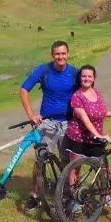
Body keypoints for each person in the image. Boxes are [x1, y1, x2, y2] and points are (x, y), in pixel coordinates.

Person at [19, 40, 78, 211]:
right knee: (41, 161)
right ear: (52, 55)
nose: (60, 56)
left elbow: (86, 92)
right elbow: (24, 90)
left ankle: (68, 194)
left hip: (68, 123)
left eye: (63, 53)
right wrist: (31, 115)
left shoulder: (74, 72)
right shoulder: (43, 70)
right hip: (47, 123)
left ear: (68, 54)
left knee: (68, 161)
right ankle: (35, 195)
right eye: (57, 54)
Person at [63, 64, 111, 209]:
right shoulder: (77, 97)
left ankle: (105, 195)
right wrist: (99, 135)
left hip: (95, 140)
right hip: (78, 138)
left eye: (89, 76)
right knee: (74, 169)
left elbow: (100, 112)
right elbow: (86, 120)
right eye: (83, 76)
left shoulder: (98, 93)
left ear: (94, 78)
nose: (86, 79)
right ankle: (74, 199)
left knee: (101, 168)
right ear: (80, 78)